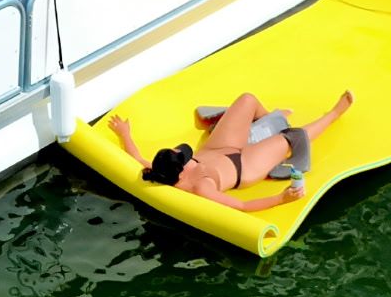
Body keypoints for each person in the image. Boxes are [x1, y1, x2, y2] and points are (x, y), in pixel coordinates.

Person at [108, 91, 355, 213]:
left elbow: (137, 157)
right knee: (294, 136)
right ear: (181, 171)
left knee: (247, 99)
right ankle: (333, 114)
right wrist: (281, 199)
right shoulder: (200, 187)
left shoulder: (160, 170)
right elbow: (242, 206)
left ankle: (270, 120)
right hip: (243, 167)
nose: (186, 156)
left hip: (218, 148)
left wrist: (125, 134)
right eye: (184, 158)